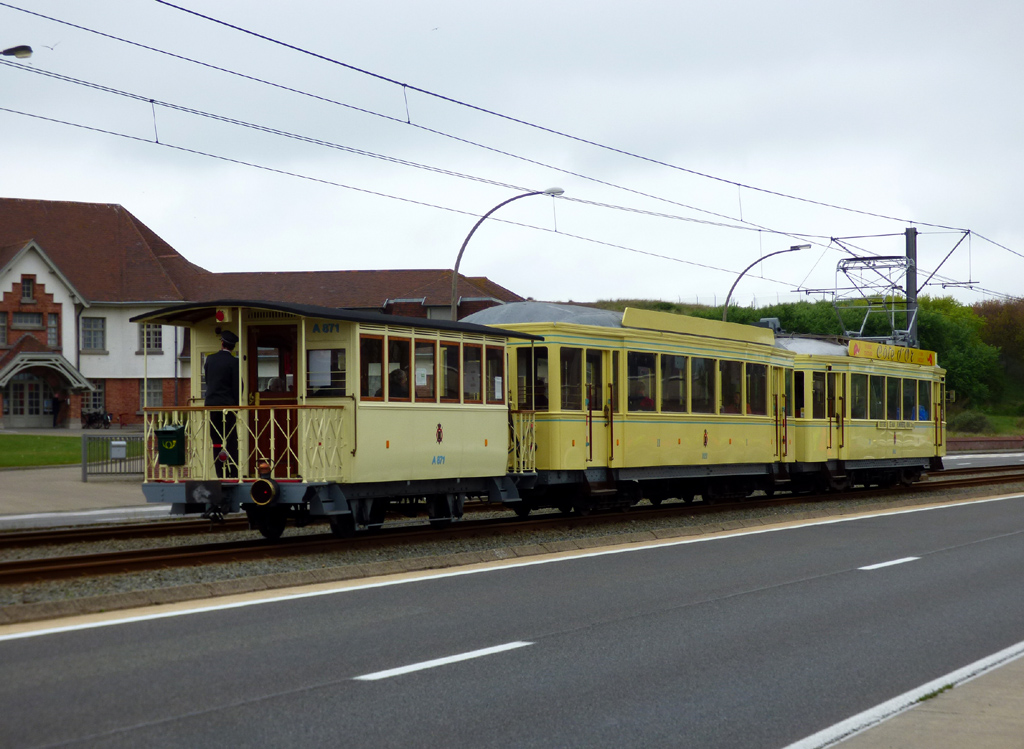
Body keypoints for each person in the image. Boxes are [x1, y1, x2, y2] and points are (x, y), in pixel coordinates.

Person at [205, 329, 240, 478]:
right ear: (233, 347)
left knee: (216, 440)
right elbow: (237, 386)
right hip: (228, 406)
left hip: (212, 405)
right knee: (231, 439)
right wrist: (237, 404)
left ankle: (219, 472)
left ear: (222, 343)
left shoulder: (210, 359)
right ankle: (232, 471)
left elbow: (208, 381)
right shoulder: (234, 362)